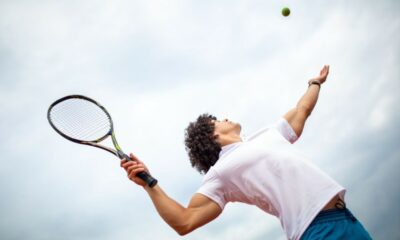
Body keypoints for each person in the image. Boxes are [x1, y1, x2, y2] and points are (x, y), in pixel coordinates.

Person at [120, 65, 372, 240]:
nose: (225, 118)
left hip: (346, 219)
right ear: (213, 136)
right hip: (316, 230)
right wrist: (149, 185)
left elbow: (301, 110)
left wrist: (315, 82)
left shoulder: (267, 135)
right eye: (217, 120)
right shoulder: (221, 171)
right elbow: (184, 221)